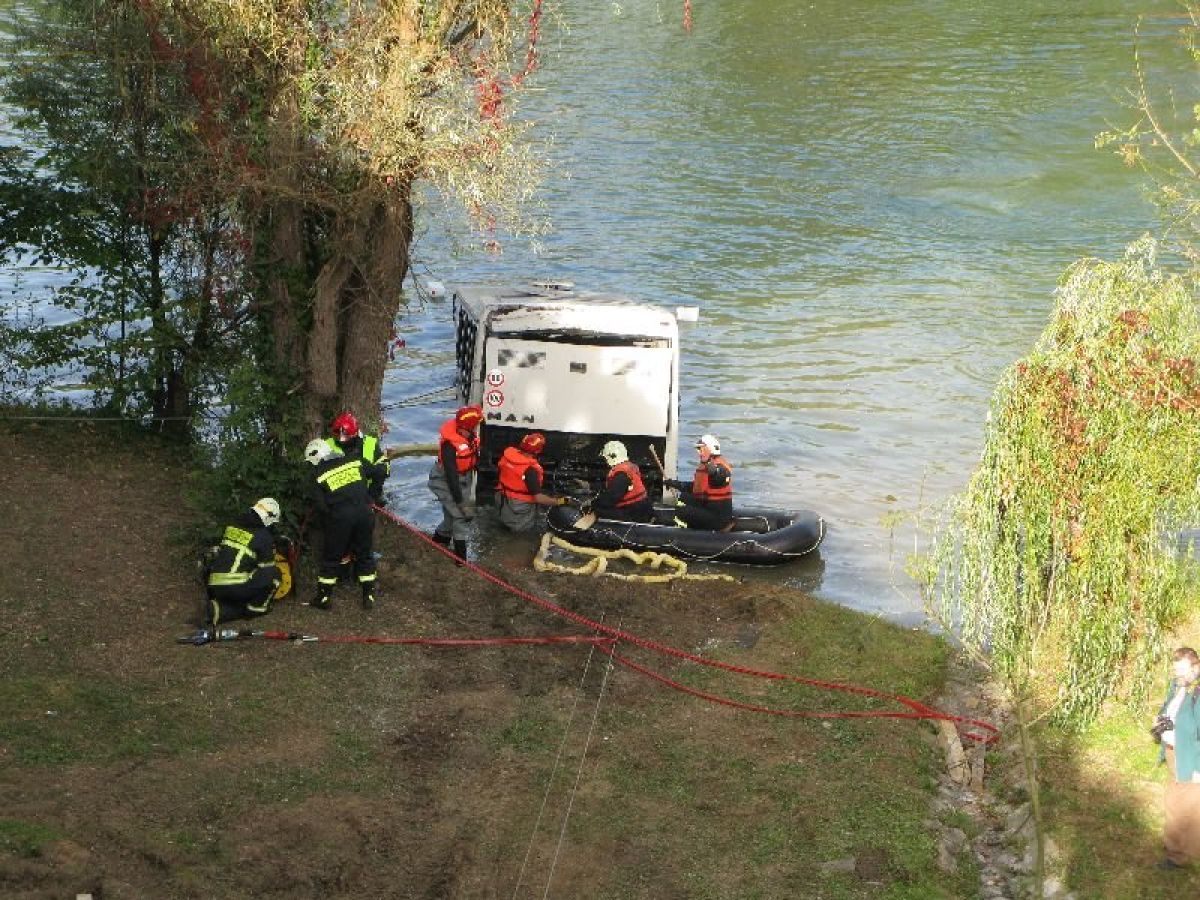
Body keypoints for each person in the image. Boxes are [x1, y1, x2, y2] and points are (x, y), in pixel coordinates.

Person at [305, 438, 382, 610]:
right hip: (364, 514)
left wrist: (331, 518)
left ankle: (324, 598)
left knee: (332, 557)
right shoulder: (355, 460)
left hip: (340, 518)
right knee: (365, 554)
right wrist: (371, 497)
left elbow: (321, 506)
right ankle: (368, 596)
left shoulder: (317, 474)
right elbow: (378, 472)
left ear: (316, 457)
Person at [1154, 646, 1200, 869]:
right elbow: (1169, 710)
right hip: (1175, 754)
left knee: (1186, 808)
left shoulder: (1198, 693)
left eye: (1182, 670)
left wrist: (1198, 768)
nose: (1178, 675)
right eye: (1176, 670)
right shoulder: (1178, 686)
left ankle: (1178, 855)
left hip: (1191, 759)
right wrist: (1160, 723)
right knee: (1175, 803)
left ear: (1196, 667)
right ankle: (1177, 851)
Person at [203, 497, 283, 627]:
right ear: (268, 518)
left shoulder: (233, 525)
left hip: (214, 585)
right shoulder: (263, 536)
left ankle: (218, 608)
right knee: (274, 573)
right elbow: (267, 569)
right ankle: (255, 609)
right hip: (235, 588)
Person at [428, 405, 483, 560]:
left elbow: (473, 457)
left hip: (464, 478)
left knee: (450, 517)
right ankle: (460, 559)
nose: (476, 428)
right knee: (460, 516)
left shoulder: (469, 436)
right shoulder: (449, 446)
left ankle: (438, 542)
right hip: (444, 481)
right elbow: (451, 477)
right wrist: (461, 504)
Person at [495, 432, 569, 532]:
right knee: (521, 534)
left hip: (503, 500)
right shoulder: (530, 470)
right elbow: (539, 498)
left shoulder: (506, 458)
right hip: (519, 507)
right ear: (538, 450)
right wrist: (560, 501)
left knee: (504, 527)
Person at [667, 433, 734, 531]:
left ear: (710, 449)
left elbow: (721, 476)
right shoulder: (705, 466)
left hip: (717, 516)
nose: (700, 453)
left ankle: (686, 533)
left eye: (702, 449)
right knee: (684, 497)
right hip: (707, 507)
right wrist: (675, 484)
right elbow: (696, 487)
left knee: (682, 511)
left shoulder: (719, 467)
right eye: (699, 450)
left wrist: (714, 470)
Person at [325, 411, 391, 505]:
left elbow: (385, 466)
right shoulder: (326, 446)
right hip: (338, 497)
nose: (341, 439)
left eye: (345, 436)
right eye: (337, 434)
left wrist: (372, 470)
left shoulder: (370, 444)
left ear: (355, 434)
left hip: (368, 493)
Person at [590, 440, 653, 523]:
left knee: (598, 510)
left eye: (605, 458)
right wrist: (591, 486)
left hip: (633, 513)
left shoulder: (621, 475)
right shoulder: (629, 467)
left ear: (611, 457)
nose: (605, 461)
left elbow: (610, 499)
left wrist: (594, 503)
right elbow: (614, 488)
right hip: (642, 507)